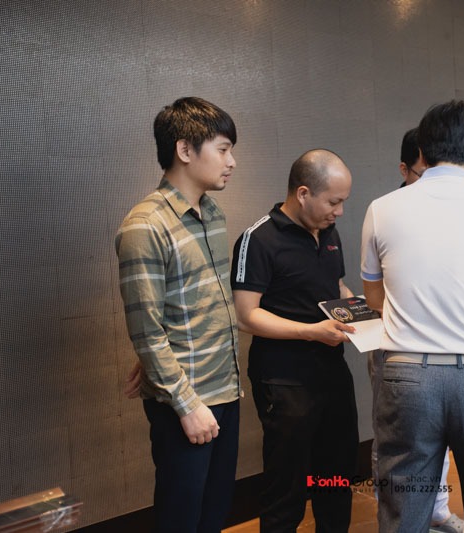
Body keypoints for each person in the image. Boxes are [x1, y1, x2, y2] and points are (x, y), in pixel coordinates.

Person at [361, 101, 464, 532]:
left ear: (423, 150)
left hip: (407, 379)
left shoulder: (381, 209)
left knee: (404, 512)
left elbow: (374, 296)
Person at [115, 97, 241, 533]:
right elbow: (146, 331)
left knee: (215, 512)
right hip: (185, 401)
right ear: (185, 150)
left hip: (226, 388)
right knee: (181, 517)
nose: (232, 162)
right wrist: (185, 404)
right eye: (223, 150)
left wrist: (155, 356)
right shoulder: (145, 225)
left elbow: (193, 306)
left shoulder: (213, 213)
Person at [232, 149, 358, 533]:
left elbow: (335, 286)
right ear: (303, 193)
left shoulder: (329, 232)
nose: (339, 212)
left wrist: (359, 312)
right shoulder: (258, 239)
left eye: (343, 202)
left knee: (335, 477)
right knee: (287, 486)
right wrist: (310, 331)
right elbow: (246, 316)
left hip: (332, 372)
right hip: (284, 379)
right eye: (333, 202)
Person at [366, 128, 464, 533]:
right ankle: (394, 515)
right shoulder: (386, 213)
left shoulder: (456, 213)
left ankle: (437, 508)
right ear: (404, 169)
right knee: (393, 438)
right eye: (424, 174)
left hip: (447, 345)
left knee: (441, 434)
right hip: (396, 344)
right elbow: (373, 292)